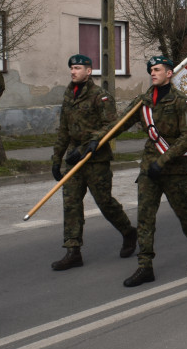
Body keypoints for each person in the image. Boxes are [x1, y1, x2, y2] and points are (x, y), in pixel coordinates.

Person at [116, 56, 187, 287]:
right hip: (150, 167)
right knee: (145, 217)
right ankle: (145, 266)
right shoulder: (144, 100)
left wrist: (164, 160)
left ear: (169, 73)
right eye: (151, 70)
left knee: (184, 213)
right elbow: (119, 124)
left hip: (174, 168)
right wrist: (95, 142)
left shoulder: (181, 101)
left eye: (157, 69)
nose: (153, 73)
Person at [48, 55, 137, 271]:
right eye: (71, 68)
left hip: (95, 158)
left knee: (104, 202)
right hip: (73, 159)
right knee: (71, 203)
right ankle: (73, 250)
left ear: (89, 71)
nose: (73, 71)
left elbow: (110, 126)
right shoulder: (69, 94)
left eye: (77, 68)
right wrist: (56, 158)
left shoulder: (101, 96)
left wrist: (86, 146)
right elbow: (63, 129)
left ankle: (128, 231)